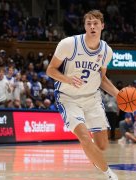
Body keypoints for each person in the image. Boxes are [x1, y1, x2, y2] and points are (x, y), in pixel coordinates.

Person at [46, 10, 118, 180]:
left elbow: (101, 78)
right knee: (85, 138)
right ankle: (109, 174)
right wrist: (67, 79)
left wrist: (118, 94)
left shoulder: (107, 51)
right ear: (85, 26)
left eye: (95, 23)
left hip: (92, 99)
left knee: (102, 145)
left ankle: (92, 154)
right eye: (88, 23)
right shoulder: (68, 44)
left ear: (102, 26)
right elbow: (50, 70)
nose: (92, 26)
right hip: (68, 98)